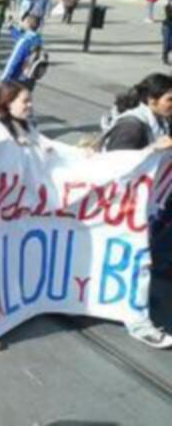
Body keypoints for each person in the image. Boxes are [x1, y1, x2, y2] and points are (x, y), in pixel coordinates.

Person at [99, 73, 172, 349]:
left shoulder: (159, 119)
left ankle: (133, 301)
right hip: (124, 208)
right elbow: (115, 167)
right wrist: (154, 149)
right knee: (135, 256)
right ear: (151, 100)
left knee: (140, 257)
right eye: (169, 99)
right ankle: (137, 318)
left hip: (145, 205)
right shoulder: (132, 126)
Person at [0, 81, 48, 146]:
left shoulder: (29, 123)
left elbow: (38, 140)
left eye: (30, 101)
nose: (30, 105)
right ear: (9, 103)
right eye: (25, 101)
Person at [1, 16, 44, 88]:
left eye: (24, 21)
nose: (22, 22)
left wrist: (6, 76)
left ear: (27, 24)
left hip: (15, 77)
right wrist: (11, 27)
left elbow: (15, 59)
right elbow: (19, 36)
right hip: (29, 76)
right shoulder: (38, 39)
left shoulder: (24, 41)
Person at [162, 0, 172, 65]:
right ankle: (165, 56)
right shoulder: (167, 7)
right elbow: (169, 16)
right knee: (167, 43)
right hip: (167, 27)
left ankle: (165, 53)